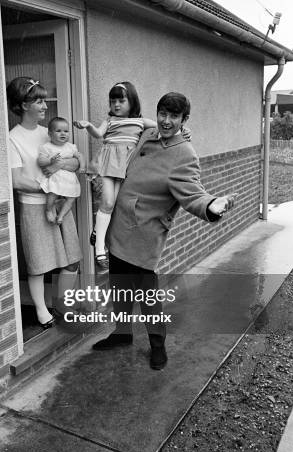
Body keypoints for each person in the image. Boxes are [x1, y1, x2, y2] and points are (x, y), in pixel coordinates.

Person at [92, 92, 236, 370]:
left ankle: (158, 346)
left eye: (174, 117)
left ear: (184, 120)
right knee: (120, 289)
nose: (166, 121)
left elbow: (192, 193)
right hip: (118, 228)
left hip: (144, 237)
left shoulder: (184, 154)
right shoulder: (148, 135)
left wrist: (210, 205)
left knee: (148, 299)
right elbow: (136, 125)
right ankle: (122, 335)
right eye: (163, 114)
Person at [7, 77, 82, 329]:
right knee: (39, 264)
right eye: (38, 101)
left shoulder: (49, 132)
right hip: (33, 205)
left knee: (72, 259)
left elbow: (76, 163)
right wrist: (48, 185)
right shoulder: (13, 138)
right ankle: (41, 310)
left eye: (44, 100)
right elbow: (17, 180)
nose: (45, 105)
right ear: (23, 104)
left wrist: (62, 166)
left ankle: (63, 304)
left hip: (61, 202)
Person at [73, 82, 157, 269]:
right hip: (109, 163)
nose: (116, 105)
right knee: (108, 203)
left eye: (121, 100)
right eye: (112, 101)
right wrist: (88, 126)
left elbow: (163, 128)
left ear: (132, 101)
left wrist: (184, 131)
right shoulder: (109, 121)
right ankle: (99, 248)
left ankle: (97, 231)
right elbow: (98, 134)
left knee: (115, 204)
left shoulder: (141, 122)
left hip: (126, 167)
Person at [37, 117, 84, 225]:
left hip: (69, 179)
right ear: (50, 134)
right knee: (52, 193)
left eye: (66, 131)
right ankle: (49, 209)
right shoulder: (47, 147)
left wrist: (82, 166)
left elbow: (80, 156)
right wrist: (50, 160)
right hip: (56, 178)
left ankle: (61, 216)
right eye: (58, 131)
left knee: (72, 198)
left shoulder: (71, 147)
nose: (63, 134)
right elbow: (40, 161)